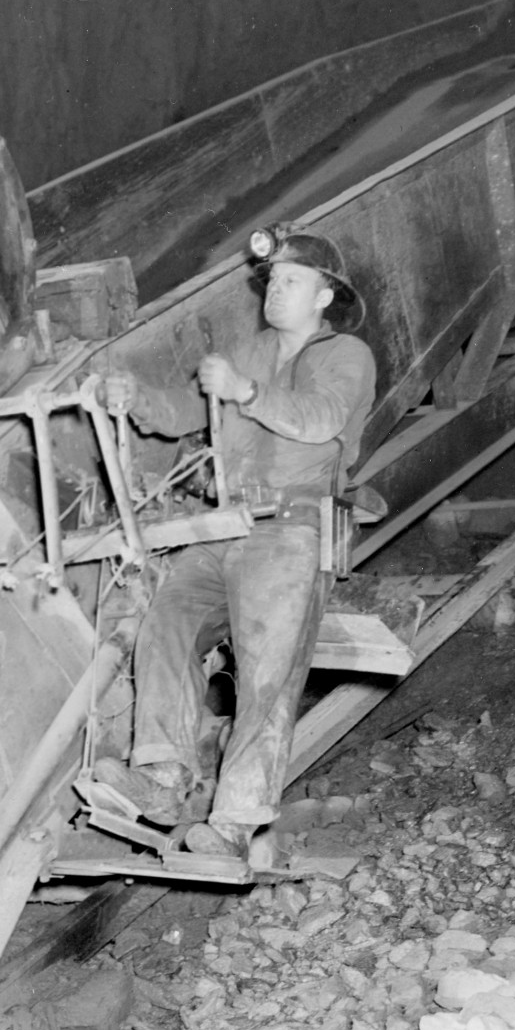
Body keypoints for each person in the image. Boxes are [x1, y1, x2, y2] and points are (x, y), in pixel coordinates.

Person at [97, 227, 376, 861]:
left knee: (266, 676)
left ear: (325, 296)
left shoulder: (347, 357)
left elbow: (320, 420)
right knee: (166, 623)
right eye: (272, 281)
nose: (275, 291)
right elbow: (186, 410)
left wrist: (245, 392)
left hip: (293, 531)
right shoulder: (250, 352)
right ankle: (163, 778)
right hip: (228, 527)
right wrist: (134, 397)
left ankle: (232, 824)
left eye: (291, 282)